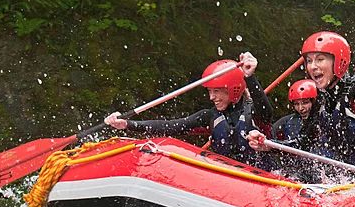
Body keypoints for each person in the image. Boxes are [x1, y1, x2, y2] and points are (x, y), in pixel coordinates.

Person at [248, 31, 355, 185]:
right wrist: (269, 145)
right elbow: (303, 143)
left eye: (320, 59)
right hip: (354, 179)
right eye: (309, 61)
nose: (312, 66)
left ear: (338, 62)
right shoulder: (321, 99)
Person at [104, 55, 265, 165]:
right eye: (209, 91)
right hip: (227, 177)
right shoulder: (209, 116)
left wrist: (250, 77)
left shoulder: (255, 113)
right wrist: (127, 124)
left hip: (263, 178)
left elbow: (265, 109)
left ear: (233, 89)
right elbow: (172, 126)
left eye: (216, 91)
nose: (211, 97)